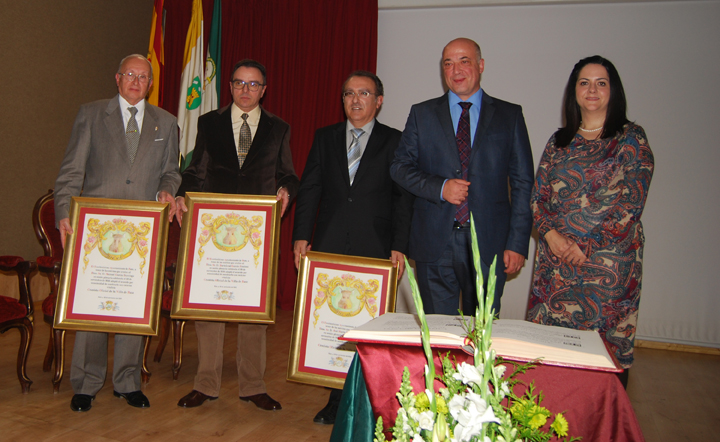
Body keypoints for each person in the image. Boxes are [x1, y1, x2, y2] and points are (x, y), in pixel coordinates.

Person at [54, 54, 181, 412]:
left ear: (151, 83)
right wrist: (63, 211)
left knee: (132, 306)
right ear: (117, 78)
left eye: (144, 77)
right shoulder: (91, 114)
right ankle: (87, 382)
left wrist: (167, 191)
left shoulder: (167, 122)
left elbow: (172, 171)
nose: (136, 82)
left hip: (142, 234)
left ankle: (127, 380)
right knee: (94, 306)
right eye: (130, 75)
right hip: (96, 231)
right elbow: (71, 170)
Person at [175, 59, 298, 411]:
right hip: (213, 232)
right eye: (240, 83)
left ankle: (253, 386)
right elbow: (195, 171)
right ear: (229, 86)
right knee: (208, 308)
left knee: (253, 312)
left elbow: (287, 174)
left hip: (255, 236)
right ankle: (206, 384)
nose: (246, 90)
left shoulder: (279, 128)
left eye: (254, 84)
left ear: (264, 89)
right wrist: (184, 194)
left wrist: (287, 190)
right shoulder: (208, 122)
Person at [293, 71, 413, 424]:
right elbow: (311, 187)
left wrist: (400, 246)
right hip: (330, 244)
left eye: (364, 93)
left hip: (375, 246)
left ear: (379, 101)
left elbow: (402, 199)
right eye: (348, 93)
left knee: (368, 326)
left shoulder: (396, 141)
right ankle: (335, 400)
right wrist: (301, 235)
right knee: (334, 321)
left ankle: (370, 399)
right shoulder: (325, 137)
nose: (355, 100)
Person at [526, 56, 654, 388]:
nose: (592, 89)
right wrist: (552, 237)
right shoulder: (559, 142)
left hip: (608, 270)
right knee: (550, 362)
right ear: (574, 91)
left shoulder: (631, 138)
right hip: (555, 267)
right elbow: (537, 198)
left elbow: (631, 203)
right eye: (584, 83)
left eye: (601, 82)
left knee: (603, 361)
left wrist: (586, 246)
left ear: (614, 90)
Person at [390, 37, 534, 316]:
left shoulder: (509, 115)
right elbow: (399, 167)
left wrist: (517, 243)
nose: (456, 70)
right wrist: (440, 187)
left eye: (464, 61)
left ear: (480, 65)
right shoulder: (422, 114)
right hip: (434, 245)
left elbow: (522, 183)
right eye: (448, 63)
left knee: (481, 332)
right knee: (438, 332)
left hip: (489, 244)